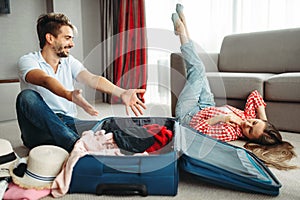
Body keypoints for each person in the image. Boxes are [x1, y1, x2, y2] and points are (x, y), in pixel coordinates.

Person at [171, 4, 297, 170]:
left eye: (251, 130)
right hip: (207, 104)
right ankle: (184, 29)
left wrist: (224, 119)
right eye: (254, 122)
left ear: (249, 138)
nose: (247, 124)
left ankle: (182, 30)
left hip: (189, 114)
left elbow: (196, 130)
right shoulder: (249, 116)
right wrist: (263, 121)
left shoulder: (230, 132)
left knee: (198, 68)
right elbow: (255, 95)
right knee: (198, 67)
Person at [16, 13, 146, 153]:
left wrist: (122, 92)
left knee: (108, 124)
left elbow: (92, 78)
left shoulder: (68, 61)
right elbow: (45, 80)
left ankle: (79, 141)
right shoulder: (28, 61)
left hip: (66, 123)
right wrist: (68, 95)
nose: (72, 44)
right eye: (67, 38)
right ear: (50, 38)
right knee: (26, 96)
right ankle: (77, 146)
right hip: (37, 129)